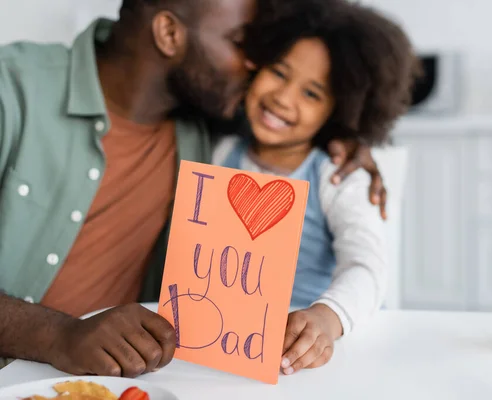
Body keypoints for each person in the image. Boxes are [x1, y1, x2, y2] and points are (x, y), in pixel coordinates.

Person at [0, 0, 388, 378]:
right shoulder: (13, 91)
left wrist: (343, 136)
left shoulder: (208, 124)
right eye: (240, 43)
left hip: (154, 378)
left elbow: (295, 127)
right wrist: (58, 335)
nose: (256, 67)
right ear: (169, 33)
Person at [212, 0, 419, 375]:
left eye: (312, 94)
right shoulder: (222, 152)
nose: (283, 98)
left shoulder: (337, 176)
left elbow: (367, 266)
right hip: (227, 349)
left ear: (339, 111)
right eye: (279, 72)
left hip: (313, 356)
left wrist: (327, 318)